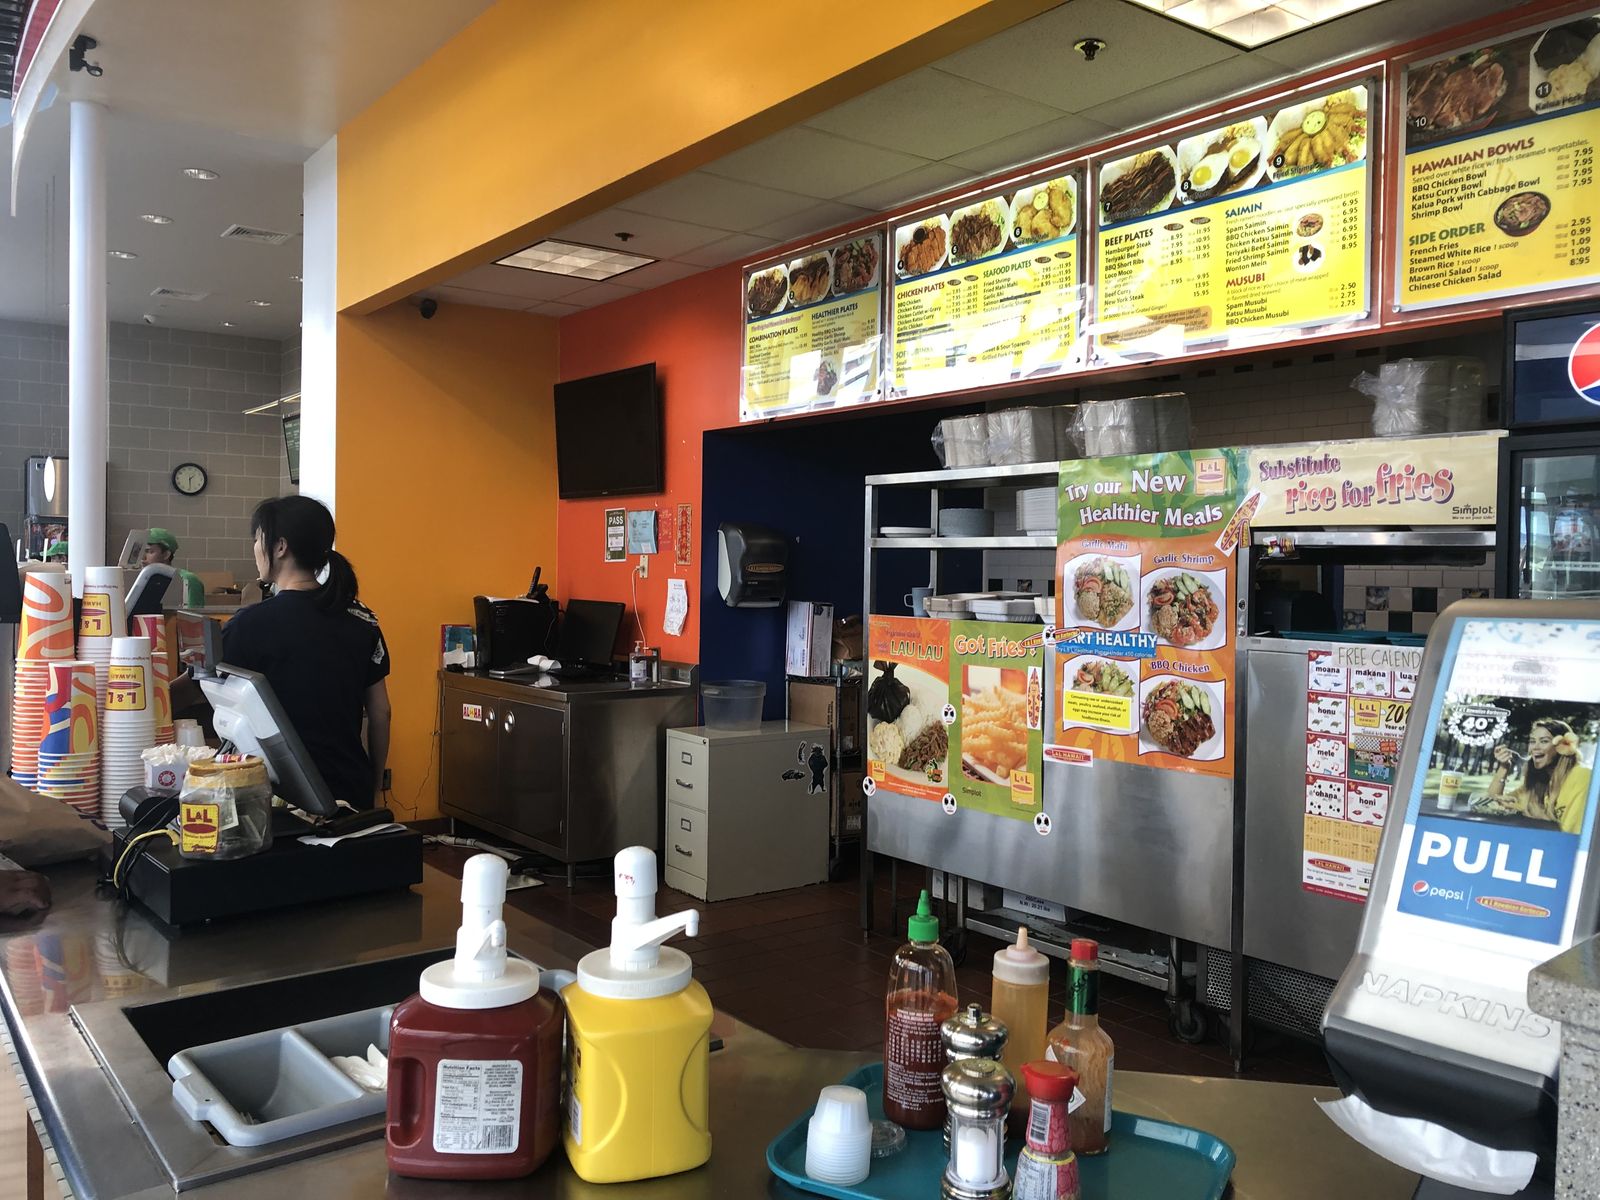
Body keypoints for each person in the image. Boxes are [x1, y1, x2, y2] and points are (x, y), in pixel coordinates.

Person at [220, 497, 392, 809]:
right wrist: (376, 786)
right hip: (349, 788)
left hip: (278, 796)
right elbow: (381, 712)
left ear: (280, 547)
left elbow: (213, 696)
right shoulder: (362, 619)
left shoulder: (249, 625)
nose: (255, 548)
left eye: (258, 539)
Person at [1486, 719, 1592, 835]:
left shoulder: (1582, 777)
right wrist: (1504, 767)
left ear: (1563, 746)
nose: (1535, 747)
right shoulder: (1539, 780)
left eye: (1544, 741)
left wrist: (1527, 811)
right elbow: (1493, 802)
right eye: (1532, 741)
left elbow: (1570, 835)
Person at [143, 528, 206, 607]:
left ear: (166, 555)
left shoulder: (187, 580)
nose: (143, 558)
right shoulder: (141, 581)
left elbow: (194, 614)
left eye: (149, 552)